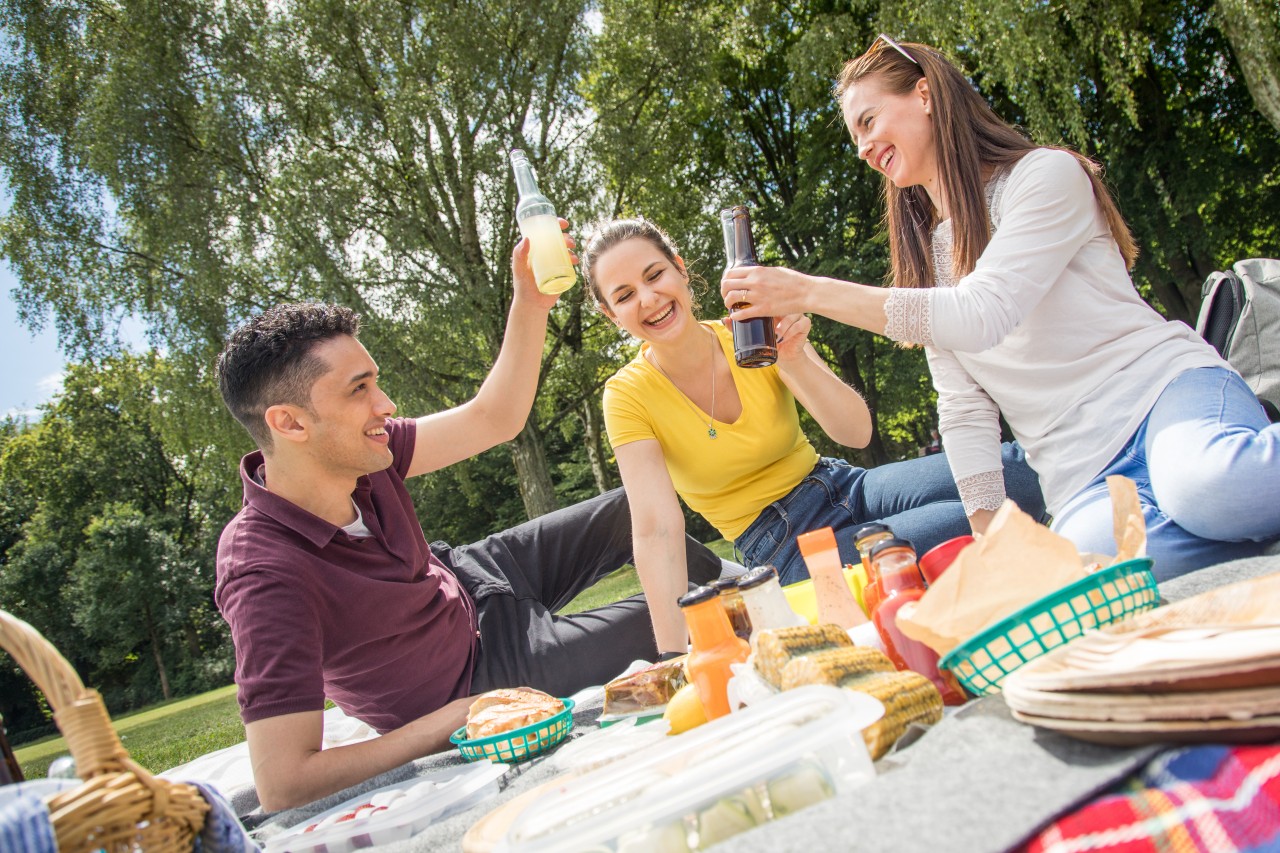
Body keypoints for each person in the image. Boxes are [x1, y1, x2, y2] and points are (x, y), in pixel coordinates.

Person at [719, 36, 1280, 580]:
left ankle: (1235, 500)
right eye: (855, 137)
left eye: (868, 121)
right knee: (1101, 571)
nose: (863, 148)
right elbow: (963, 407)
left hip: (1163, 396)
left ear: (925, 94)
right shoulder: (928, 262)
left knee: (1207, 488)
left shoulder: (1044, 176)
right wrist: (991, 538)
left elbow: (983, 312)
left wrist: (808, 291)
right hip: (1082, 472)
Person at [213, 229, 724, 811]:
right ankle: (731, 607)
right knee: (704, 615)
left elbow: (494, 418)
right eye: (360, 390)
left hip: (471, 577)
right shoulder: (263, 571)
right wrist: (447, 723)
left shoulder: (365, 447)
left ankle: (733, 594)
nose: (386, 406)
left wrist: (529, 303)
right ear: (291, 424)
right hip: (472, 679)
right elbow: (283, 783)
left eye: (375, 381)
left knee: (636, 510)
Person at [581, 218, 1045, 656]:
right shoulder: (627, 396)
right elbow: (657, 528)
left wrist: (794, 358)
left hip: (844, 486)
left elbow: (856, 432)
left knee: (1019, 475)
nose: (648, 299)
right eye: (624, 295)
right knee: (966, 520)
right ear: (609, 313)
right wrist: (671, 655)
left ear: (680, 269)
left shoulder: (750, 331)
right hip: (783, 544)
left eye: (654, 274)